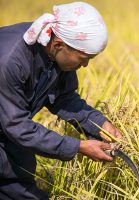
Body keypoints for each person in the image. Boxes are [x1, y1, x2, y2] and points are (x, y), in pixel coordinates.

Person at [0, 2, 122, 199]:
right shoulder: (9, 61)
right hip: (11, 129)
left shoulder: (56, 56)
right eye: (83, 58)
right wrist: (79, 147)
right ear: (58, 45)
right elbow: (17, 126)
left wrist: (99, 124)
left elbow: (64, 98)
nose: (85, 65)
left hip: (9, 138)